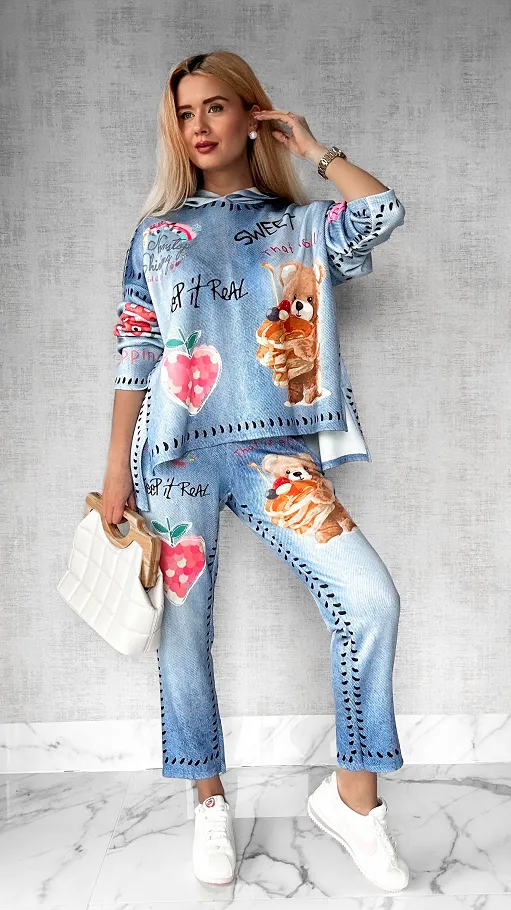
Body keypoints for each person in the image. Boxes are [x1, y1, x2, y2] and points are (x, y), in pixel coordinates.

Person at [102, 50, 409, 892]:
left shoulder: (300, 225)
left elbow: (380, 211)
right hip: (175, 456)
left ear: (250, 115)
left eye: (215, 107)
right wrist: (115, 470)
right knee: (184, 632)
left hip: (276, 453)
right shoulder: (157, 235)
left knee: (369, 600)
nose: (198, 126)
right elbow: (136, 350)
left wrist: (309, 147)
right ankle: (208, 800)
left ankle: (353, 801)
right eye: (184, 113)